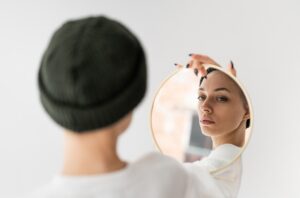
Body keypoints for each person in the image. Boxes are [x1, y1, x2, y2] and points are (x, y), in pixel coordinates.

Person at [26, 15, 243, 198]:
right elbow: (221, 184)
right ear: (130, 105)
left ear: (50, 103)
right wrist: (228, 90)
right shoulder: (165, 181)